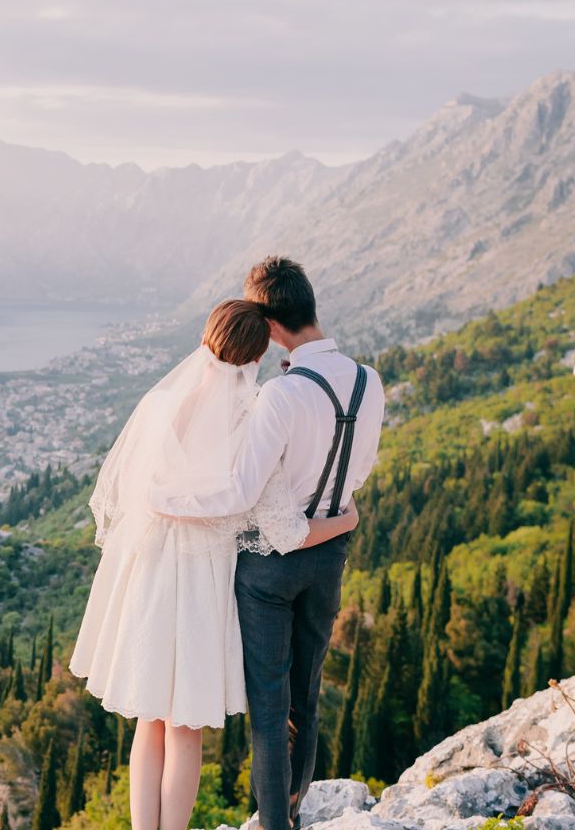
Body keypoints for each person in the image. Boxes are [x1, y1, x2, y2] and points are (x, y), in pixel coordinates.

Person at [69, 298, 362, 830]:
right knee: (185, 728)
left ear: (207, 338)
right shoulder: (253, 418)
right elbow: (286, 529)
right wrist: (346, 520)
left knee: (149, 722)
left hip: (148, 574)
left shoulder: (160, 405)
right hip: (202, 582)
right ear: (258, 355)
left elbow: (129, 492)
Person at [151, 257, 385, 830]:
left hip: (270, 566)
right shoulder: (368, 380)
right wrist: (338, 515)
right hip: (330, 554)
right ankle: (295, 812)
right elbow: (358, 473)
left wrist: (166, 502)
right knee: (307, 693)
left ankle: (276, 825)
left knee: (269, 709)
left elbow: (238, 490)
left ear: (270, 322)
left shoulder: (280, 396)